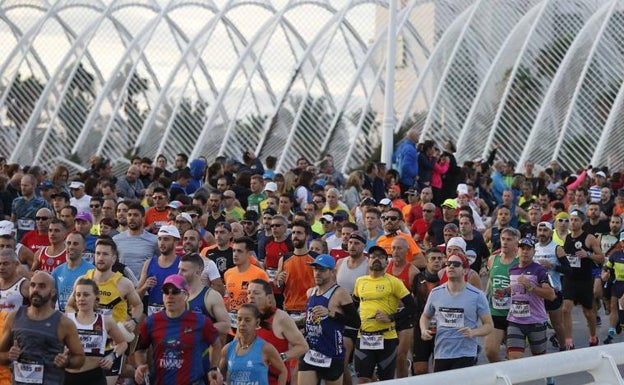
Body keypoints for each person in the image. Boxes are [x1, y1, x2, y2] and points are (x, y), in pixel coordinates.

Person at [0, 271, 86, 384]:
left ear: (53, 292)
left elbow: (80, 358)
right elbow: (1, 354)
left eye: (42, 286)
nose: (36, 289)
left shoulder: (64, 323)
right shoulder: (14, 317)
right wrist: (9, 356)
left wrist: (67, 362)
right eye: (33, 285)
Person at [134, 274, 220, 385]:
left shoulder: (201, 321)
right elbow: (140, 349)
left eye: (175, 291)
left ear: (186, 295)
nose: (170, 296)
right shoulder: (151, 322)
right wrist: (140, 365)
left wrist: (213, 368)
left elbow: (216, 344)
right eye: (166, 291)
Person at [352, 245, 416, 383]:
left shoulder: (394, 282)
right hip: (364, 337)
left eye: (381, 257)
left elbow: (412, 307)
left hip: (386, 338)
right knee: (362, 379)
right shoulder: (360, 281)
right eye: (373, 257)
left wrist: (391, 317)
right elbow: (354, 306)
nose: (377, 259)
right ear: (368, 261)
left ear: (387, 262)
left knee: (385, 381)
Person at [420, 254, 493, 372]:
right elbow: (425, 316)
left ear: (465, 270)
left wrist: (474, 332)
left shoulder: (477, 295)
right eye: (448, 264)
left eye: (456, 264)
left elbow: (489, 325)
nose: (451, 267)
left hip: (466, 353)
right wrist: (423, 329)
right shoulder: (436, 293)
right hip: (441, 353)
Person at [299, 254, 359, 385]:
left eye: (322, 270)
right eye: (315, 269)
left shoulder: (340, 293)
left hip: (331, 354)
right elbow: (311, 319)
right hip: (311, 353)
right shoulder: (310, 292)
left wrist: (332, 314)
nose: (317, 273)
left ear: (332, 272)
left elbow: (356, 322)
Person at [64, 278, 129, 385]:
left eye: (86, 295)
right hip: (68, 376)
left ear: (96, 298)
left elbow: (122, 343)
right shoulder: (66, 319)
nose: (81, 298)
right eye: (78, 295)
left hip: (94, 377)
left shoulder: (106, 321)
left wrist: (112, 357)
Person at [247, 279, 308, 385]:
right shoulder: (245, 316)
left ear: (269, 298)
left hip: (275, 380)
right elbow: (236, 345)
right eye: (248, 293)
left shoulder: (280, 317)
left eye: (256, 293)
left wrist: (280, 357)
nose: (251, 296)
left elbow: (303, 346)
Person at [559, 210, 604, 349]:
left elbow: (601, 258)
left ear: (582, 221)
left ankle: (593, 336)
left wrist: (588, 254)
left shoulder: (589, 238)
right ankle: (569, 341)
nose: (572, 222)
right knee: (565, 309)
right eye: (570, 220)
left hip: (585, 279)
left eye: (575, 220)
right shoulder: (566, 237)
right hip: (569, 279)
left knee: (588, 312)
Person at [212, 303, 287, 385]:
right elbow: (219, 377)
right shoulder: (228, 349)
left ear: (257, 322)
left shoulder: (265, 348)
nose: (242, 324)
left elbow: (283, 371)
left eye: (247, 320)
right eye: (239, 319)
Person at [507, 238, 556, 360]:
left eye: (528, 249)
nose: (525, 252)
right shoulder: (512, 270)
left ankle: (549, 378)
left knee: (539, 359)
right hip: (515, 320)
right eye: (522, 248)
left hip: (535, 321)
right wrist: (503, 291)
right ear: (517, 251)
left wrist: (530, 286)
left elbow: (551, 295)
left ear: (534, 252)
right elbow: (515, 287)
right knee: (514, 357)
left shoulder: (539, 270)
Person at [484, 227, 520, 362]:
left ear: (516, 243)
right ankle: (503, 372)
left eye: (509, 240)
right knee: (490, 351)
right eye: (503, 239)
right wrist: (486, 295)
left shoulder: (521, 261)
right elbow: (491, 279)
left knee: (513, 356)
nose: (505, 243)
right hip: (495, 312)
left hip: (515, 314)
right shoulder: (493, 259)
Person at [411, 248, 444, 375]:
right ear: (426, 261)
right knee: (420, 369)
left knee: (439, 369)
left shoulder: (447, 279)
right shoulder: (417, 278)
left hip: (442, 328)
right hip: (421, 326)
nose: (436, 261)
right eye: (433, 259)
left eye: (439, 258)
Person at [52, 231, 95, 311]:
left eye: (75, 244)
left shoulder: (92, 271)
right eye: (68, 243)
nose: (71, 247)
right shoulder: (57, 271)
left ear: (83, 247)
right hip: (63, 317)